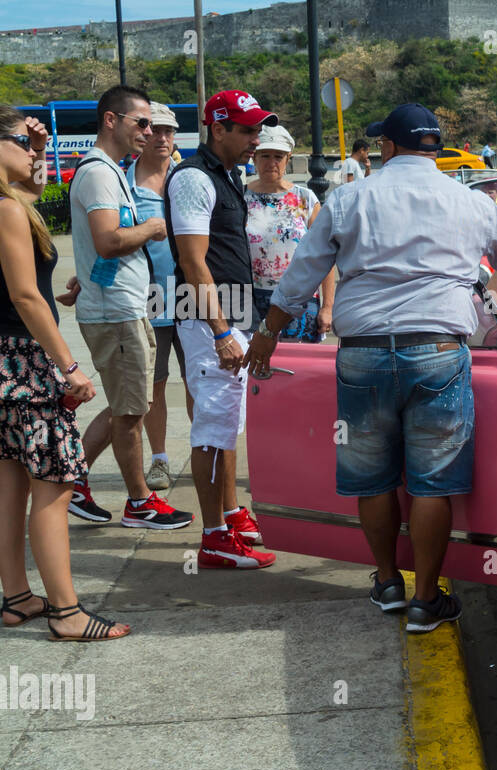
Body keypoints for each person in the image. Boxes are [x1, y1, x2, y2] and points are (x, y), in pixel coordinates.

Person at [242, 103, 497, 632]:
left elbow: (300, 277)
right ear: (434, 147)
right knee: (433, 482)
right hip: (438, 351)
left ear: (386, 146)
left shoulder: (348, 198)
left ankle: (387, 582)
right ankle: (427, 600)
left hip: (361, 353)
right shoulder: (470, 201)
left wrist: (267, 335)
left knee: (372, 477)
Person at [0, 104, 131, 640]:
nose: (33, 151)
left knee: (8, 480)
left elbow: (29, 196)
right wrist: (68, 366)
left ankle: (18, 598)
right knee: (53, 483)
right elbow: (25, 295)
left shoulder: (4, 204)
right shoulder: (4, 208)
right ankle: (67, 613)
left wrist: (36, 150)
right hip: (24, 360)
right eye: (22, 142)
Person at [67, 84, 193, 531]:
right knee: (130, 410)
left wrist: (85, 276)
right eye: (141, 122)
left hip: (124, 305)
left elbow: (97, 247)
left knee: (129, 405)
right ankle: (137, 500)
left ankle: (75, 481)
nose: (149, 131)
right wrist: (152, 228)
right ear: (111, 121)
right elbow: (109, 239)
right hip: (118, 312)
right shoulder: (101, 173)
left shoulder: (108, 170)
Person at [164, 88, 277, 570]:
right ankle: (213, 538)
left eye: (258, 128)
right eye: (248, 130)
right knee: (213, 427)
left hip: (230, 312)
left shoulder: (225, 174)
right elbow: (192, 260)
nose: (257, 138)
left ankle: (228, 514)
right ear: (218, 128)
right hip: (210, 315)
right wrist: (220, 330)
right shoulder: (193, 178)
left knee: (228, 424)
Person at [128, 100, 189, 492]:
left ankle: (208, 452)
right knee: (155, 385)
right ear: (142, 134)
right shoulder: (125, 184)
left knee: (201, 380)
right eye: (155, 130)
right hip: (149, 296)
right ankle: (160, 460)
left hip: (195, 294)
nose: (163, 137)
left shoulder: (188, 177)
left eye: (169, 130)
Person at [245, 123, 335, 342]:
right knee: (252, 372)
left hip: (300, 301)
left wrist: (328, 306)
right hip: (251, 301)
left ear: (288, 158)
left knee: (297, 371)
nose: (271, 162)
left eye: (278, 156)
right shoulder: (240, 197)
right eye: (265, 155)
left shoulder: (305, 199)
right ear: (254, 158)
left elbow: (325, 254)